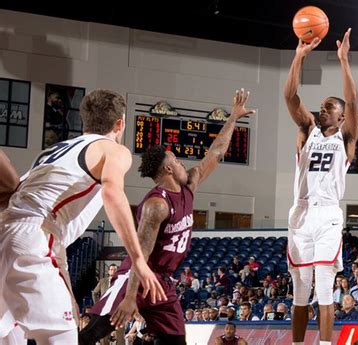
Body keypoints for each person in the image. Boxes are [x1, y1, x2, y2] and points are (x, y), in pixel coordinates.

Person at [78, 88, 255, 345]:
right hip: (137, 276)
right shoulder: (156, 205)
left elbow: (215, 152)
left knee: (176, 340)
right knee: (94, 332)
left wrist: (234, 118)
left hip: (162, 282)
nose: (185, 164)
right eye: (179, 161)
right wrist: (130, 298)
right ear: (169, 168)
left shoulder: (189, 186)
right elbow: (141, 255)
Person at [0, 89, 164, 345]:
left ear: (84, 121)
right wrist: (138, 260)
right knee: (62, 335)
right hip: (36, 235)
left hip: (8, 232)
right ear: (120, 123)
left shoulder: (51, 152)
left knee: (12, 330)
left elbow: (15, 198)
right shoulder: (113, 150)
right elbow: (112, 193)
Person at [284, 28, 358, 345]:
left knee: (325, 283)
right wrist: (298, 57)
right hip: (300, 214)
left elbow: (353, 100)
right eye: (323, 105)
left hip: (327, 215)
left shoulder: (346, 138)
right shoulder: (307, 129)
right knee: (301, 288)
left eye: (330, 106)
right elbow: (290, 97)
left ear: (342, 117)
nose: (323, 108)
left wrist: (344, 61)